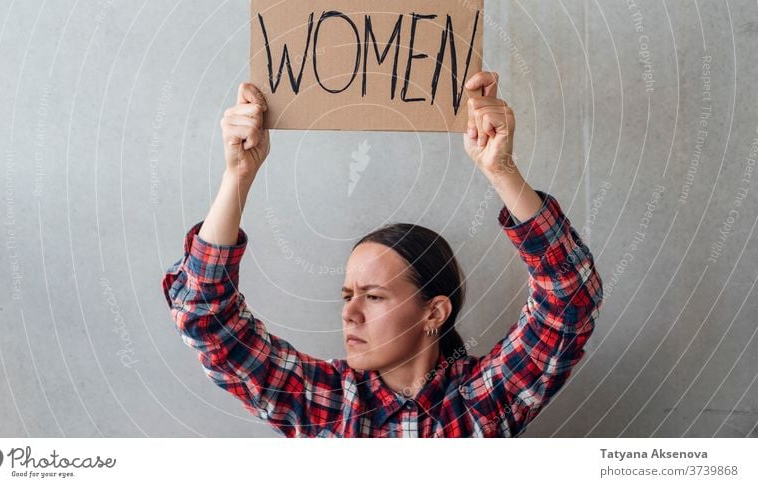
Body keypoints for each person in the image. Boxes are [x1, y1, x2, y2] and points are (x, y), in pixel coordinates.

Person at [162, 71, 604, 438]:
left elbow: (570, 300)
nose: (349, 314)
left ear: (434, 313)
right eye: (347, 295)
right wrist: (238, 174)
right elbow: (205, 318)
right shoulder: (322, 403)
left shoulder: (483, 402)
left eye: (373, 296)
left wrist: (502, 171)